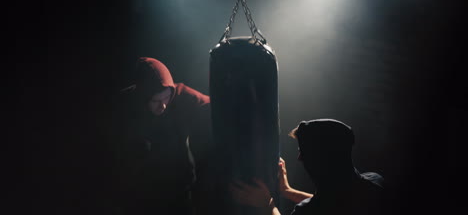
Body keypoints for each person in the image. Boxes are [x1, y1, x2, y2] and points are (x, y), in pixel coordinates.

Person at [111, 57, 212, 215]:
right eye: (155, 100)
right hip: (141, 194)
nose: (163, 105)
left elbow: (211, 105)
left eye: (166, 97)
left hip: (180, 190)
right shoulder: (125, 105)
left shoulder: (180, 95)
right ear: (143, 97)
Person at [231, 119, 385, 215]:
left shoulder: (307, 211)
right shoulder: (375, 182)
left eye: (303, 152)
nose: (299, 158)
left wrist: (267, 205)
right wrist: (287, 191)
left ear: (320, 158)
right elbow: (335, 204)